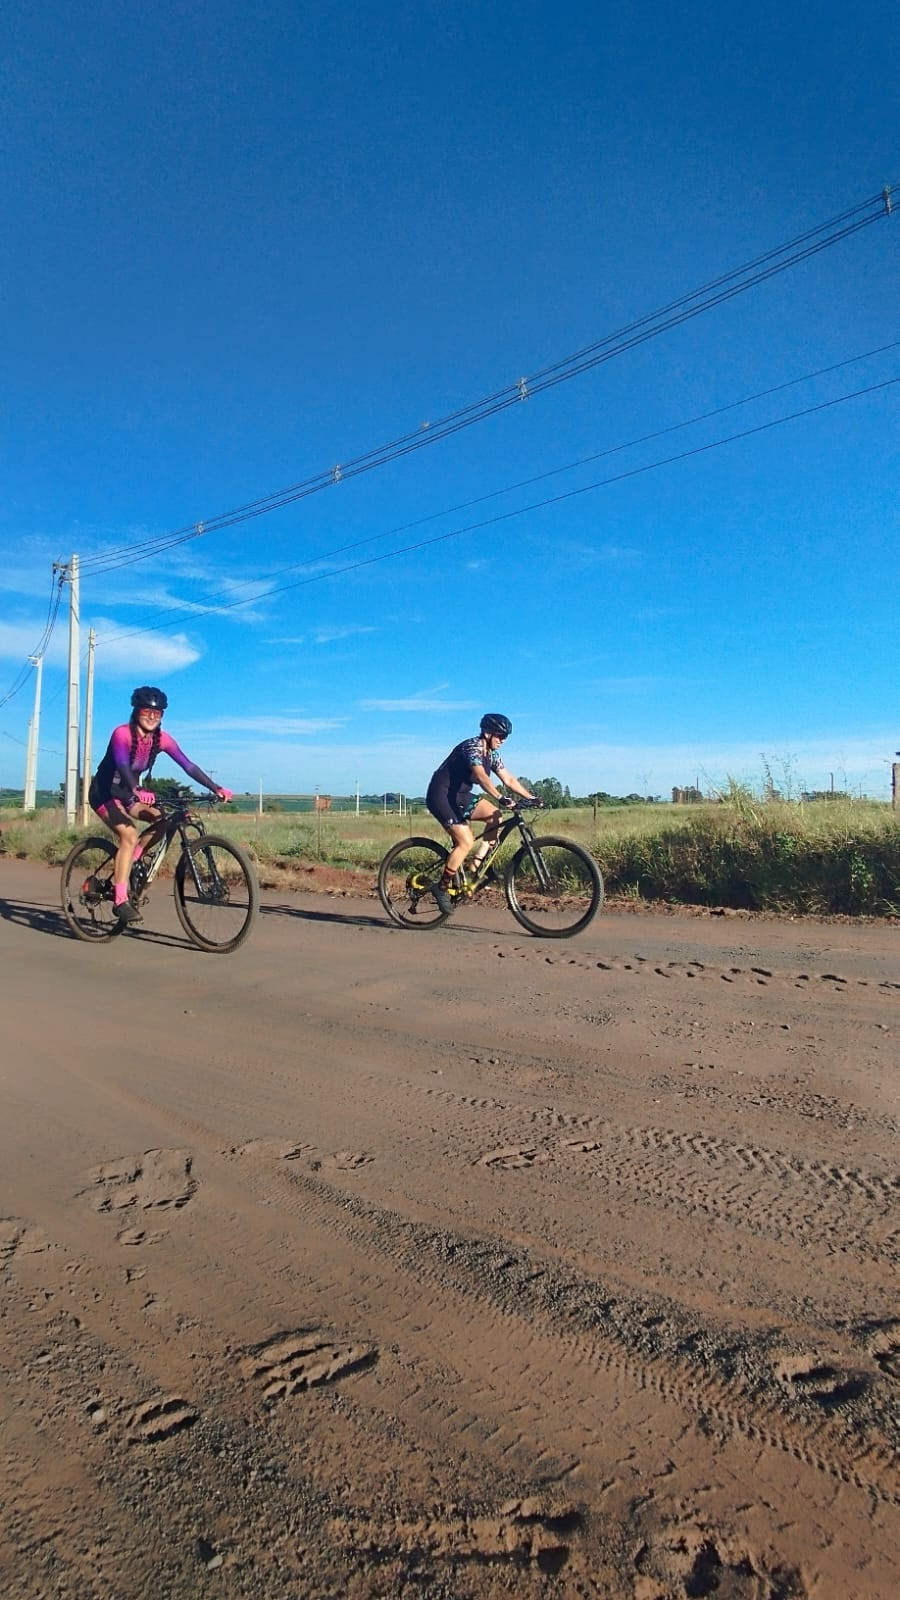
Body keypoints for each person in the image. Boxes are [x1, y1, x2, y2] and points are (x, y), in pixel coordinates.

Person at [89, 685, 233, 923]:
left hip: (128, 795)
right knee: (129, 834)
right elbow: (123, 765)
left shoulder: (162, 739)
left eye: (158, 714)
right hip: (105, 792)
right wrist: (137, 789)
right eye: (147, 711)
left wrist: (215, 788)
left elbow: (189, 766)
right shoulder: (122, 734)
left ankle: (132, 860)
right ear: (136, 711)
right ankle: (120, 900)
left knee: (163, 819)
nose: (152, 717)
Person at [425, 713, 539, 914]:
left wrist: (531, 798)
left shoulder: (492, 754)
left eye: (505, 737)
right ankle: (441, 888)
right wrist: (499, 796)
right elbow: (480, 775)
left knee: (495, 816)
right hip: (440, 795)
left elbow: (509, 780)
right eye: (500, 736)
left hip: (461, 795)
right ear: (487, 733)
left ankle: (475, 867)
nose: (503, 741)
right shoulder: (472, 747)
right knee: (465, 842)